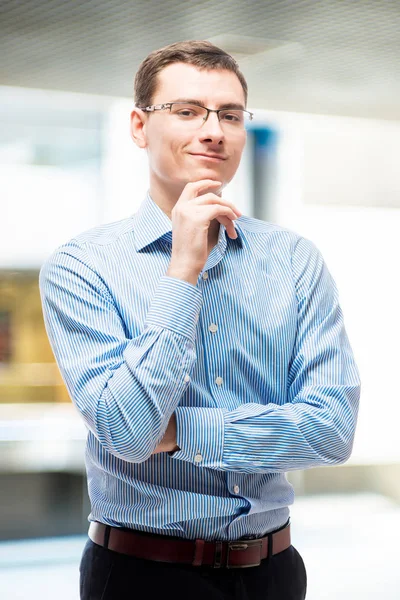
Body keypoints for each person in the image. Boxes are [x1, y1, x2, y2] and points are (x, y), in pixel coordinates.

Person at [39, 40, 360, 600]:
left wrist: (183, 430)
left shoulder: (293, 259)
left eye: (230, 115)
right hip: (144, 575)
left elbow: (331, 429)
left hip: (274, 571)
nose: (213, 130)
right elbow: (128, 431)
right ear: (140, 126)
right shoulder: (82, 264)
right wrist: (183, 267)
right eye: (187, 111)